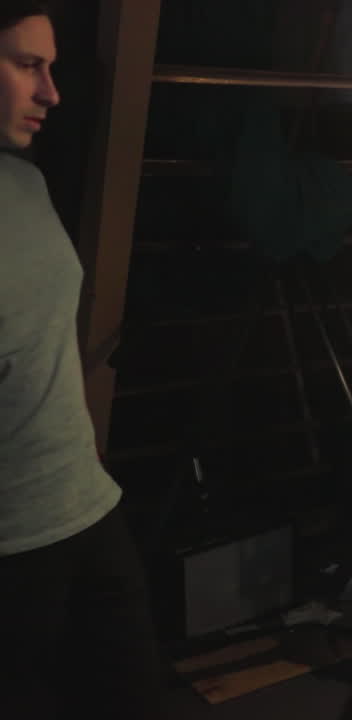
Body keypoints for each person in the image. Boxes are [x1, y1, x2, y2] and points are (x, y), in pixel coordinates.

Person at [0, 2, 165, 718]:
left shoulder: (24, 183)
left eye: (52, 68)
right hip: (12, 544)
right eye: (27, 65)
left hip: (86, 506)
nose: (51, 92)